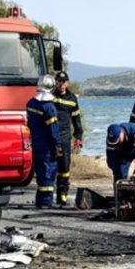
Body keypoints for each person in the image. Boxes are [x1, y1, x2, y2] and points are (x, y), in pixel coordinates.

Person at [26, 75, 62, 208]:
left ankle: (39, 200)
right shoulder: (49, 108)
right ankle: (46, 202)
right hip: (47, 145)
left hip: (34, 143)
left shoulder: (31, 103)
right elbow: (53, 130)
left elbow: (29, 123)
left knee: (40, 172)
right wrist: (58, 145)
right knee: (48, 172)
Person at [52, 71, 83, 206]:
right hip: (50, 135)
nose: (61, 84)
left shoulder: (72, 99)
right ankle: (45, 196)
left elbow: (76, 119)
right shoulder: (50, 96)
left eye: (63, 81)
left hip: (65, 136)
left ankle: (62, 194)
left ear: (67, 83)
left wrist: (78, 136)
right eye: (59, 81)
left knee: (64, 167)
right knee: (49, 166)